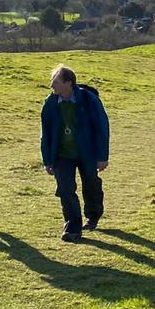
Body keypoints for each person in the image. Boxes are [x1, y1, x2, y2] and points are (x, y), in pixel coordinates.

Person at [40, 64, 109, 242]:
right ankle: (72, 226)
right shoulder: (50, 103)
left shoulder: (89, 100)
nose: (51, 86)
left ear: (69, 83)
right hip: (62, 155)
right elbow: (45, 133)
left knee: (91, 184)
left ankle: (93, 216)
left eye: (55, 82)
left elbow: (102, 128)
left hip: (87, 152)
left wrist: (102, 157)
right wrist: (47, 160)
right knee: (65, 189)